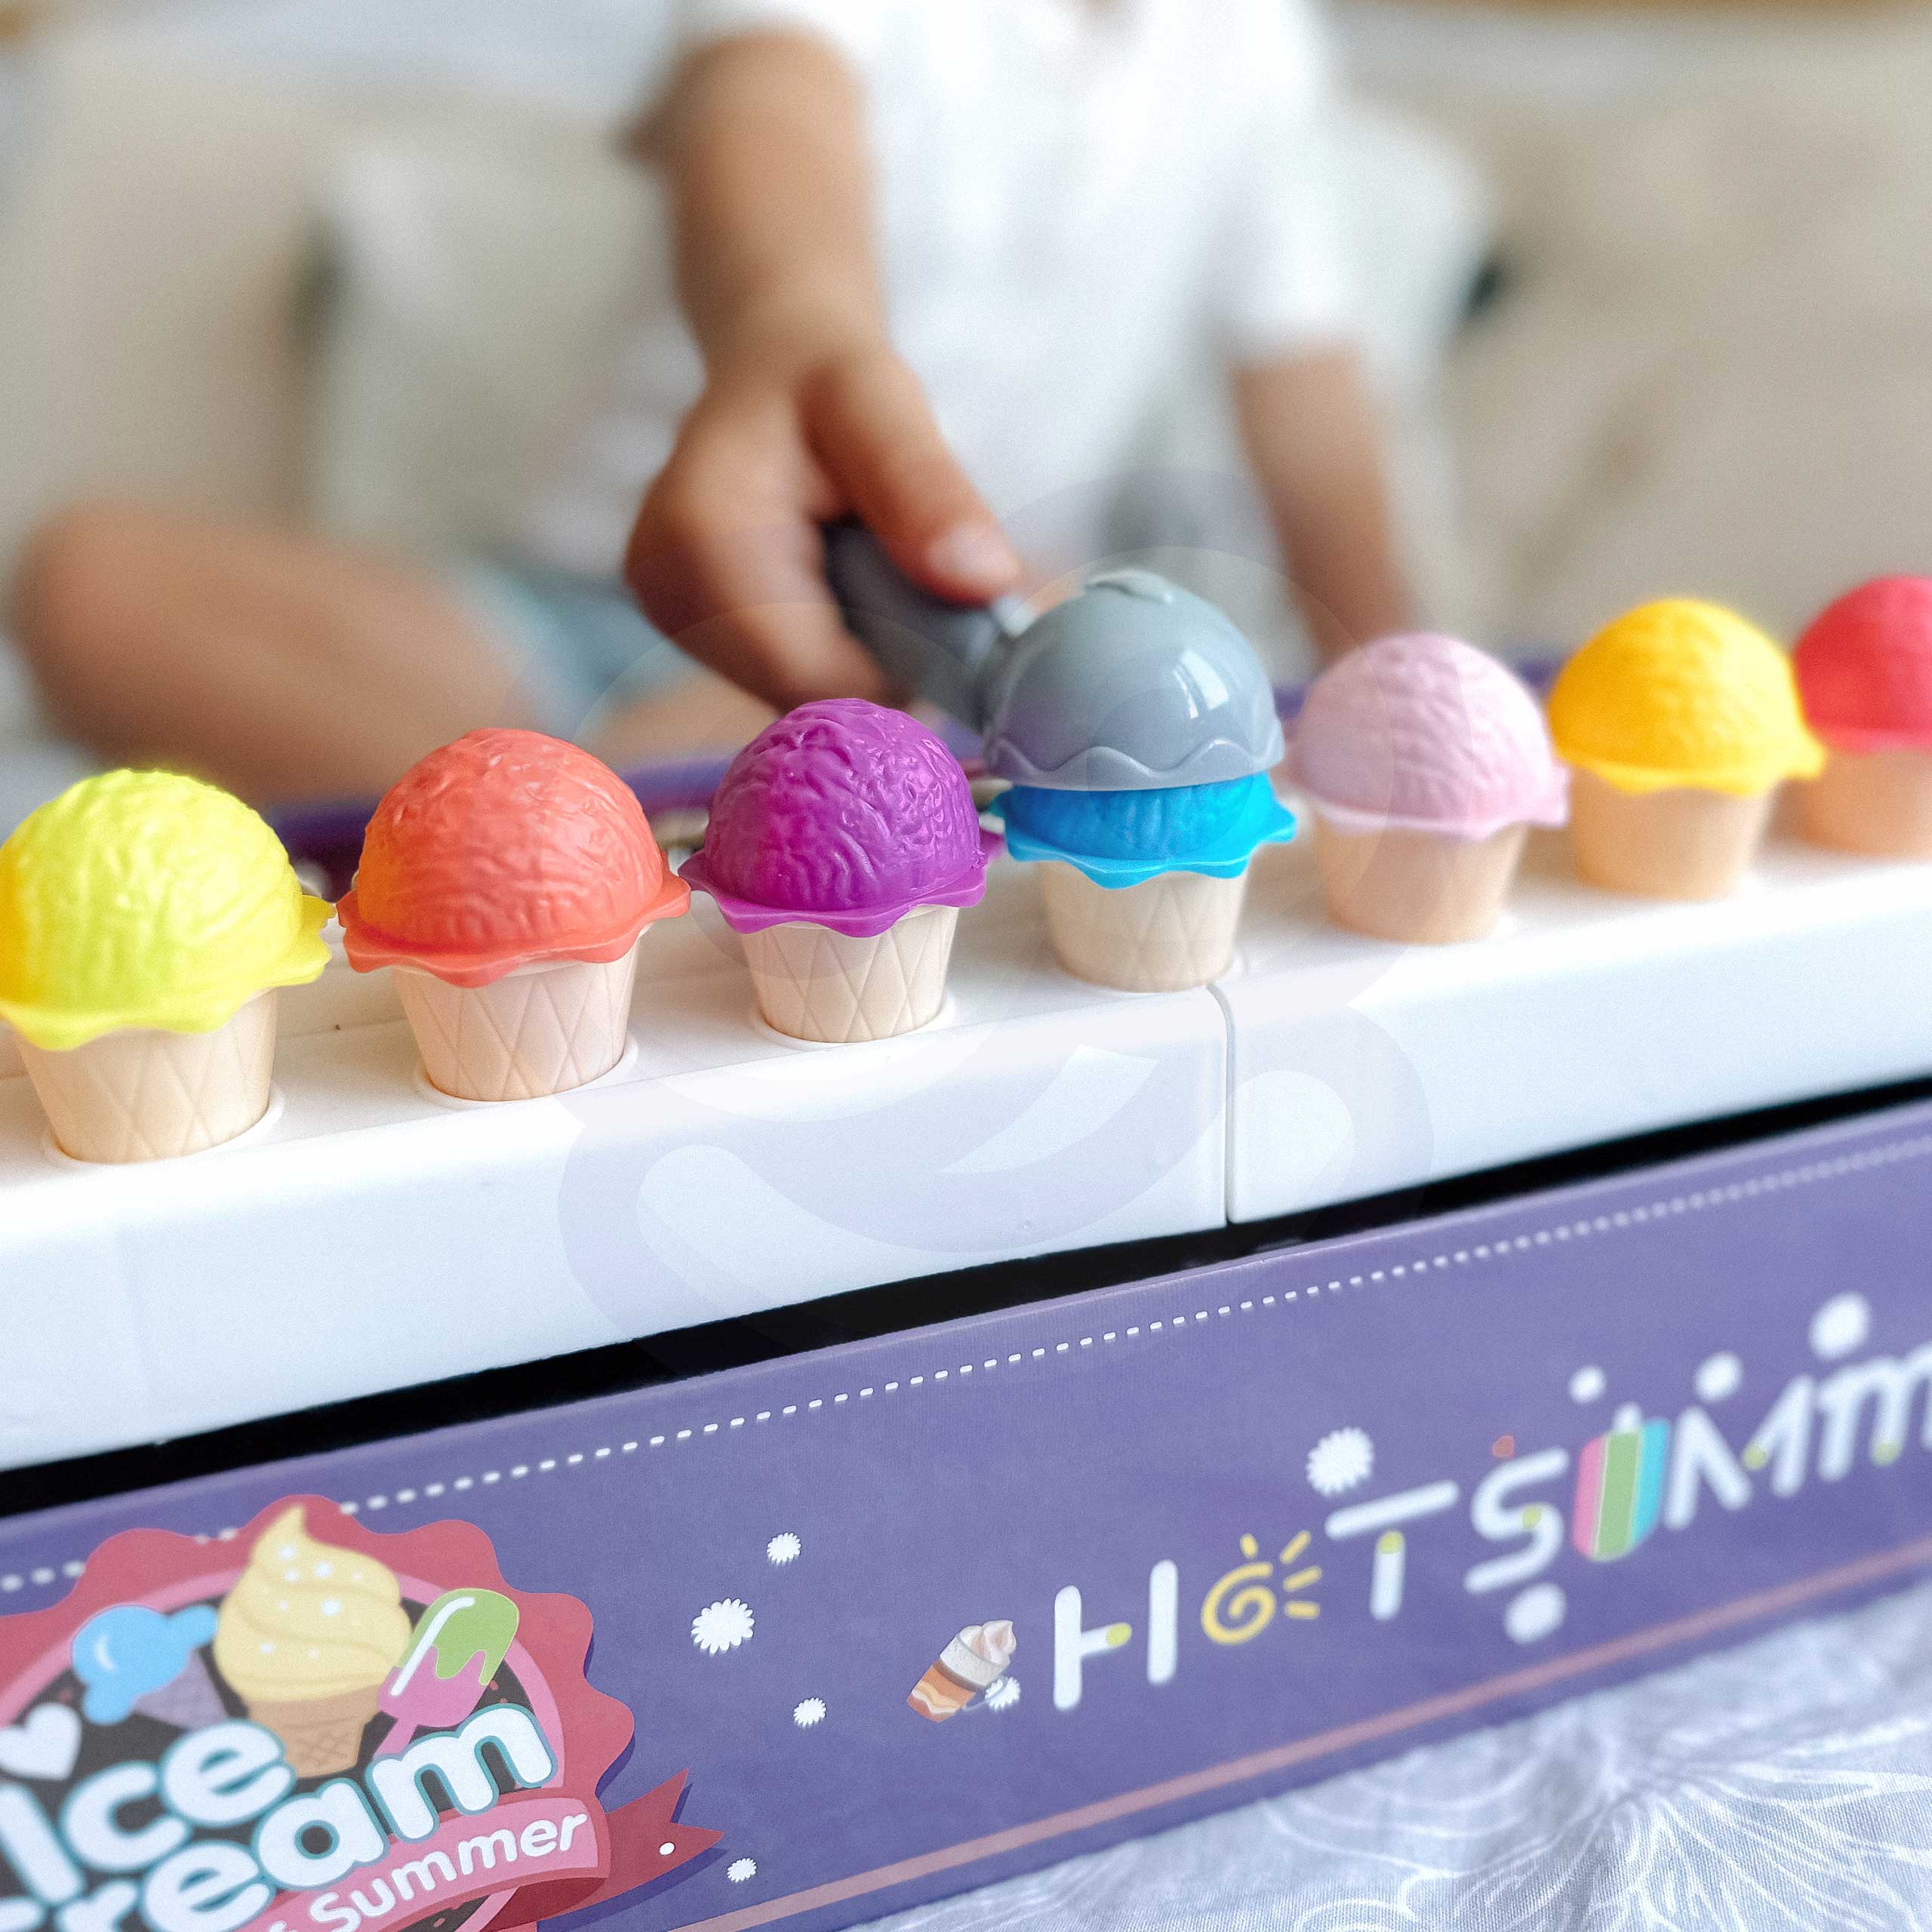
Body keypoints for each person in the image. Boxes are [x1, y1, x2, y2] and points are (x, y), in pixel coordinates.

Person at [11, 0, 1411, 804]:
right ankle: (636, 798)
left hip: (911, 645)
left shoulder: (1253, 45)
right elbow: (764, 98)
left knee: (1054, 656)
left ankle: (591, 805)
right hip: (552, 611)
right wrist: (796, 327)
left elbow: (1312, 415)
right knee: (89, 581)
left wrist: (1401, 690)